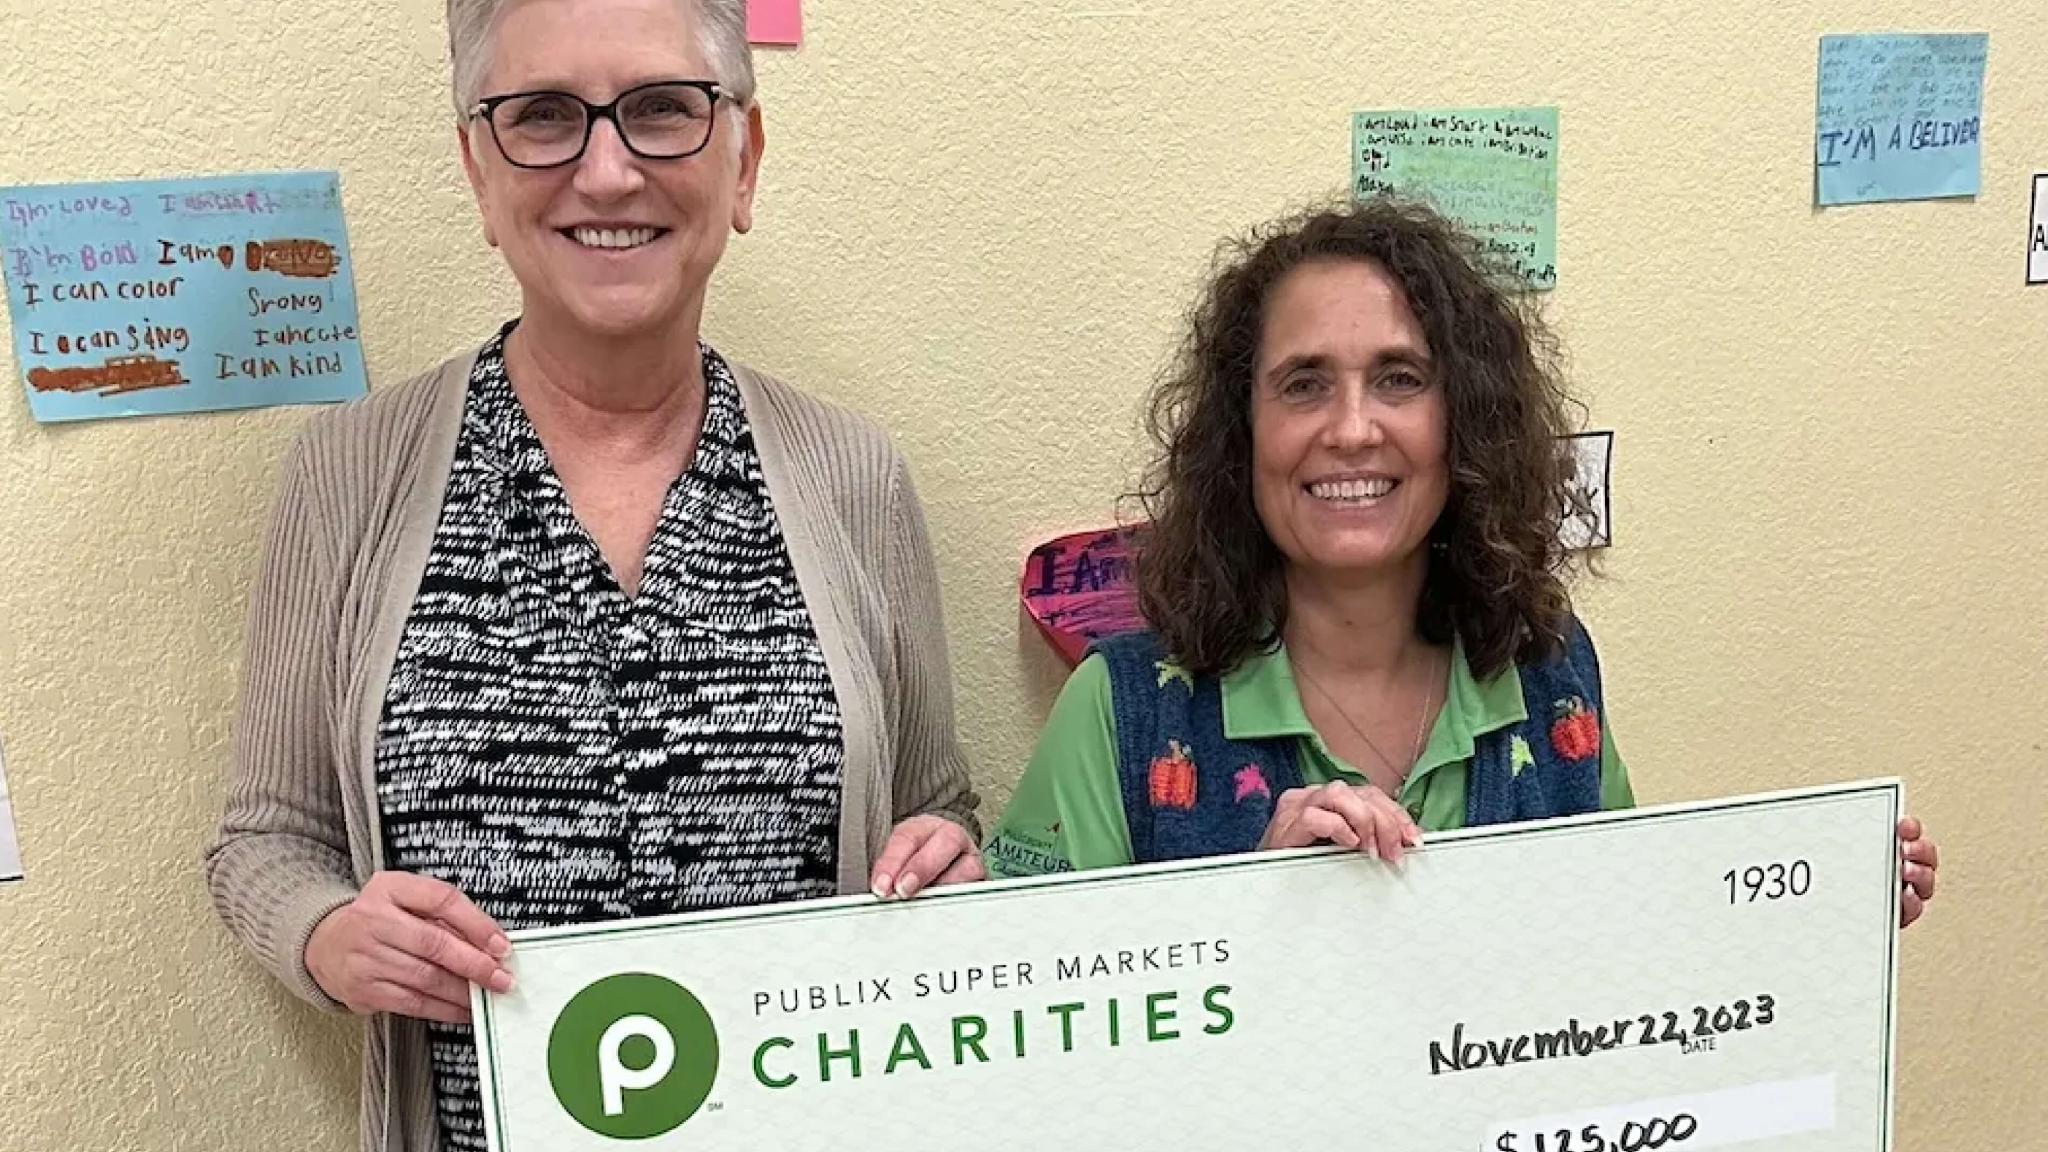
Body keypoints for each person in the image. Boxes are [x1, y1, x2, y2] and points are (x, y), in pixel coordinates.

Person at [203, 2, 982, 1148]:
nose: (606, 171)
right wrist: (326, 935)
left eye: (663, 110)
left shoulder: (851, 476)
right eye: (543, 117)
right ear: (478, 170)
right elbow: (263, 836)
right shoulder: (349, 474)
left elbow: (934, 806)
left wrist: (940, 864)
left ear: (743, 160)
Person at [983, 199, 1939, 931]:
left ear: (1464, 423)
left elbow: (1632, 950)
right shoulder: (1122, 710)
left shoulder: (1552, 671)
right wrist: (1255, 922)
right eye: (1303, 384)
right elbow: (1043, 1058)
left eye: (1400, 379)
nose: (1352, 429)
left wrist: (1816, 915)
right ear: (1243, 435)